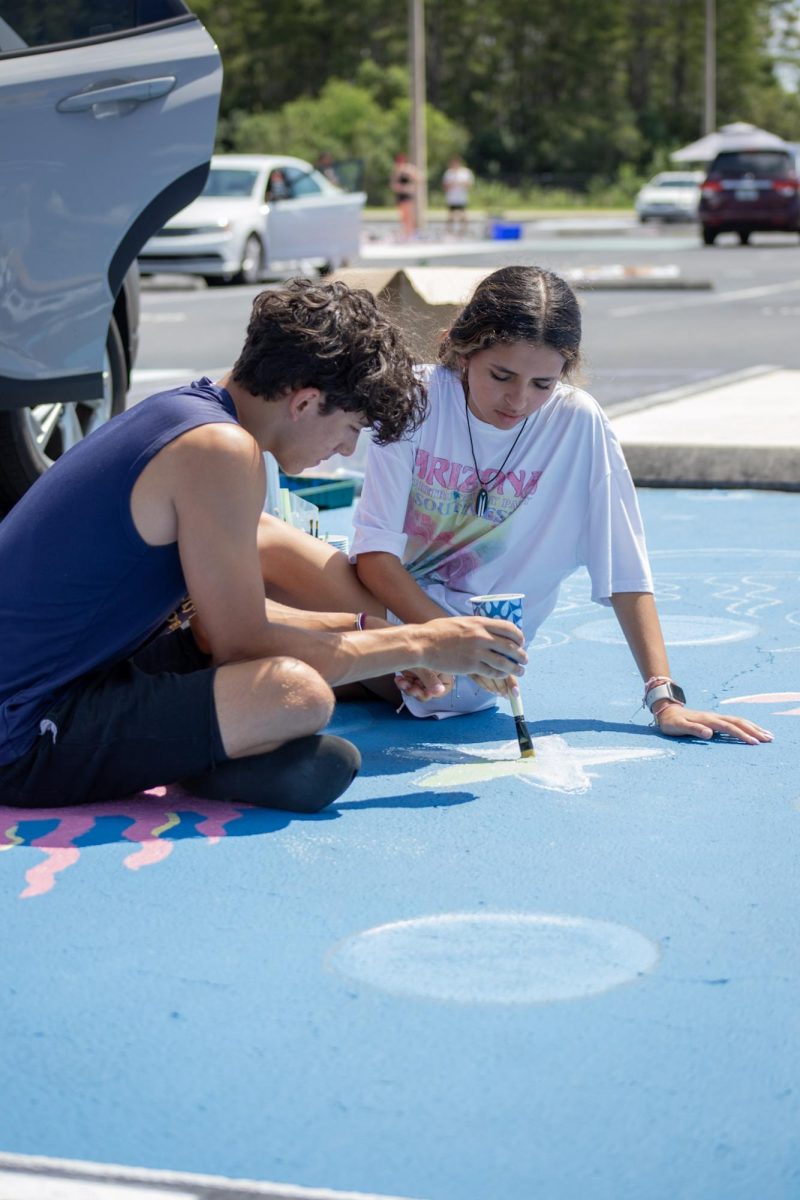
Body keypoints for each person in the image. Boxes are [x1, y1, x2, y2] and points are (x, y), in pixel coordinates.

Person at [0, 280, 527, 813]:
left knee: (314, 622)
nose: (346, 448)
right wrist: (423, 646)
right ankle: (210, 756)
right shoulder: (224, 453)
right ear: (305, 401)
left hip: (78, 675)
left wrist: (378, 632)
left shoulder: (187, 413)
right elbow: (244, 647)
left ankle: (216, 750)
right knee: (296, 695)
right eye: (350, 428)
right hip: (21, 734)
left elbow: (211, 625)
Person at [345, 265, 772, 745]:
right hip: (390, 616)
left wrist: (664, 698)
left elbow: (624, 568)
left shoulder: (578, 424)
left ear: (565, 373)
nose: (518, 400)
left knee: (283, 597)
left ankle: (329, 672)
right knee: (280, 562)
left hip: (472, 672)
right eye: (501, 375)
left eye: (542, 384)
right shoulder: (416, 397)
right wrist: (443, 636)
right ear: (461, 350)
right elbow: (375, 556)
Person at [442, 155, 475, 236]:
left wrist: (461, 183)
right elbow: (445, 186)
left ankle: (463, 231)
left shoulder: (465, 172)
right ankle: (449, 231)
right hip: (452, 198)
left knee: (463, 215)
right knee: (450, 215)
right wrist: (452, 184)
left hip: (462, 197)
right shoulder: (448, 173)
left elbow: (470, 184)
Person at [390, 153, 419, 240]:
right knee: (403, 216)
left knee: (409, 215)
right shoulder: (396, 171)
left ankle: (411, 233)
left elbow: (419, 178)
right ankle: (405, 233)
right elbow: (393, 185)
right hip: (401, 195)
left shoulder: (408, 169)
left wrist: (410, 187)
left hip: (408, 195)